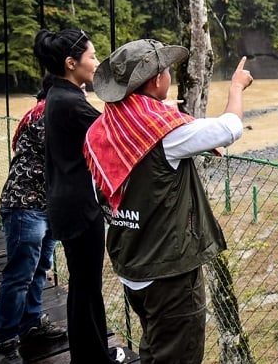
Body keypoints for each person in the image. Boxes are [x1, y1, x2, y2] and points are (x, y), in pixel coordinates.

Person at [83, 39, 254, 363]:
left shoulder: (101, 129)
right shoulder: (164, 132)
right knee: (178, 354)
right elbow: (230, 128)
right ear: (155, 79)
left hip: (131, 264)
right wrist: (235, 87)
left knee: (155, 344)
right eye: (166, 70)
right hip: (168, 272)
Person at [36, 29, 125, 363]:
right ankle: (95, 359)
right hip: (79, 208)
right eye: (91, 56)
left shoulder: (58, 96)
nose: (96, 62)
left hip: (65, 204)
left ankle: (89, 356)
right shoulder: (71, 102)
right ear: (71, 63)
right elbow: (113, 134)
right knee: (87, 289)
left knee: (83, 287)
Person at [0, 75, 67, 364]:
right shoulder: (48, 114)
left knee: (38, 269)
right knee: (20, 274)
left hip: (42, 204)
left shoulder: (36, 113)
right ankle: (4, 343)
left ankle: (30, 324)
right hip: (25, 206)